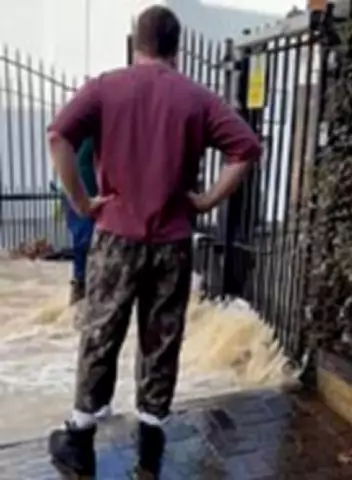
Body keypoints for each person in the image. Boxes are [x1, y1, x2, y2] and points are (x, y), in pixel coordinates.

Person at [46, 6, 261, 478]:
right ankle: (150, 443)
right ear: (176, 47)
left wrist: (82, 202)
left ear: (135, 42)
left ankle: (80, 438)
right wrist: (206, 200)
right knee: (161, 340)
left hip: (115, 236)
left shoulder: (105, 88)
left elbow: (59, 135)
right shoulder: (197, 98)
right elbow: (246, 148)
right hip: (172, 240)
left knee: (101, 331)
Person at [58, 138, 98, 304]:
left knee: (85, 245)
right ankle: (80, 288)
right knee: (84, 243)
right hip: (83, 197)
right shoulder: (88, 136)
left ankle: (81, 287)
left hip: (81, 195)